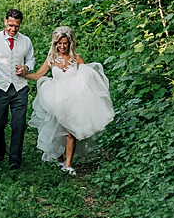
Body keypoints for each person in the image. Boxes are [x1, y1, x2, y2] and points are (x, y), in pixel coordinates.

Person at [22, 26, 114, 175]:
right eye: (59, 43)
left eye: (65, 43)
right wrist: (24, 75)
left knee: (70, 132)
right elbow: (38, 75)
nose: (62, 46)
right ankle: (59, 159)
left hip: (73, 99)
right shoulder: (51, 59)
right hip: (55, 98)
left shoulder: (76, 59)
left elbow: (88, 77)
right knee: (55, 129)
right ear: (55, 44)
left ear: (70, 43)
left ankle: (68, 164)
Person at [0, 8, 36, 168]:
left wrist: (26, 68)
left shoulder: (26, 41)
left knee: (19, 124)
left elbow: (31, 60)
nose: (13, 29)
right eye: (10, 25)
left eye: (17, 26)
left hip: (19, 89)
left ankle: (15, 160)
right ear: (5, 22)